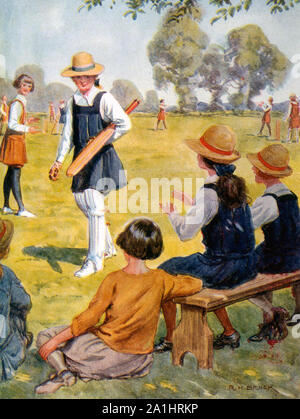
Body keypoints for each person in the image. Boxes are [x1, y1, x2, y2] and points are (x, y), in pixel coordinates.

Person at [34, 218, 202, 394]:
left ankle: (64, 372)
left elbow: (89, 318)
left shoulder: (114, 280)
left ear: (125, 248)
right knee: (68, 343)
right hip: (140, 362)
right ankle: (73, 370)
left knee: (47, 337)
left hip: (108, 355)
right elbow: (195, 284)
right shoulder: (161, 279)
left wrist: (54, 342)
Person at [155, 125, 258, 352]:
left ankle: (171, 339)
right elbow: (221, 214)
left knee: (163, 273)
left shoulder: (209, 193)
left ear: (203, 159)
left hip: (222, 268)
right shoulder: (234, 184)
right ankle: (229, 332)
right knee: (199, 270)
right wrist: (191, 201)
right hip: (246, 264)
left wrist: (171, 211)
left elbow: (185, 233)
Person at [49, 52, 131, 278]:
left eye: (86, 77)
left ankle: (94, 261)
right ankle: (107, 247)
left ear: (94, 76)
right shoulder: (73, 101)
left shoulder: (104, 98)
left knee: (95, 205)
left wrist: (104, 139)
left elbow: (125, 123)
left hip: (101, 158)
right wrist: (58, 161)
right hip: (80, 159)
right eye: (77, 78)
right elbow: (67, 134)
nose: (81, 82)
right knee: (81, 200)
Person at [245, 144, 300, 341]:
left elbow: (245, 228)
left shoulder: (267, 201)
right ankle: (294, 315)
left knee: (234, 274)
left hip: (277, 259)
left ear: (265, 172)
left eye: (256, 166)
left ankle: (270, 313)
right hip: (295, 255)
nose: (252, 169)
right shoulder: (290, 195)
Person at [0, 74, 40, 217]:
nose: (26, 89)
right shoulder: (17, 102)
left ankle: (6, 206)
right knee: (15, 174)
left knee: (10, 173)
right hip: (14, 141)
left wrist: (27, 121)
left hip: (14, 140)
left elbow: (17, 121)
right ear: (18, 85)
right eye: (24, 85)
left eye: (29, 86)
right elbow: (11, 124)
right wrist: (28, 129)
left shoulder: (21, 102)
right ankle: (21, 209)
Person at [0, 218, 32, 381]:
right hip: (4, 348)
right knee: (16, 315)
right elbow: (24, 302)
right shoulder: (5, 275)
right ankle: (22, 340)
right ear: (4, 251)